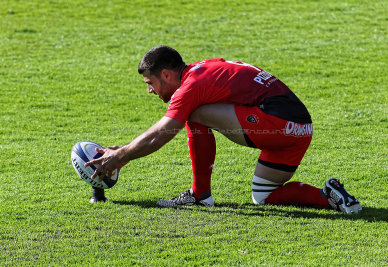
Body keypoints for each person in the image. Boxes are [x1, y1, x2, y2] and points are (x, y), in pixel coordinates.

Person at [85, 45, 362, 214]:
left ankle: (199, 196)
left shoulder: (190, 86)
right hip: (299, 130)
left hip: (275, 123)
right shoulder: (203, 70)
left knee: (192, 113)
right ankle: (329, 196)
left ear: (167, 75)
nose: (149, 90)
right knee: (264, 197)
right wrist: (122, 152)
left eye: (150, 82)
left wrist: (120, 156)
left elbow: (163, 132)